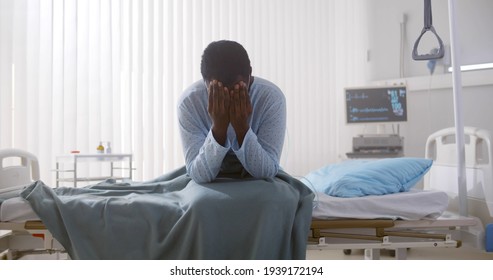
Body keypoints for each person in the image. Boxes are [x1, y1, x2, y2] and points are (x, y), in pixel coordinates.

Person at [178, 40, 286, 183]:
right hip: (210, 182)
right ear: (205, 81)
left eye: (237, 88)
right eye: (217, 90)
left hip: (257, 182)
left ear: (250, 75)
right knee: (198, 201)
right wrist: (219, 127)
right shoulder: (189, 102)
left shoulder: (271, 98)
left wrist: (241, 127)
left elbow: (266, 172)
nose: (227, 97)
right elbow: (199, 175)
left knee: (276, 198)